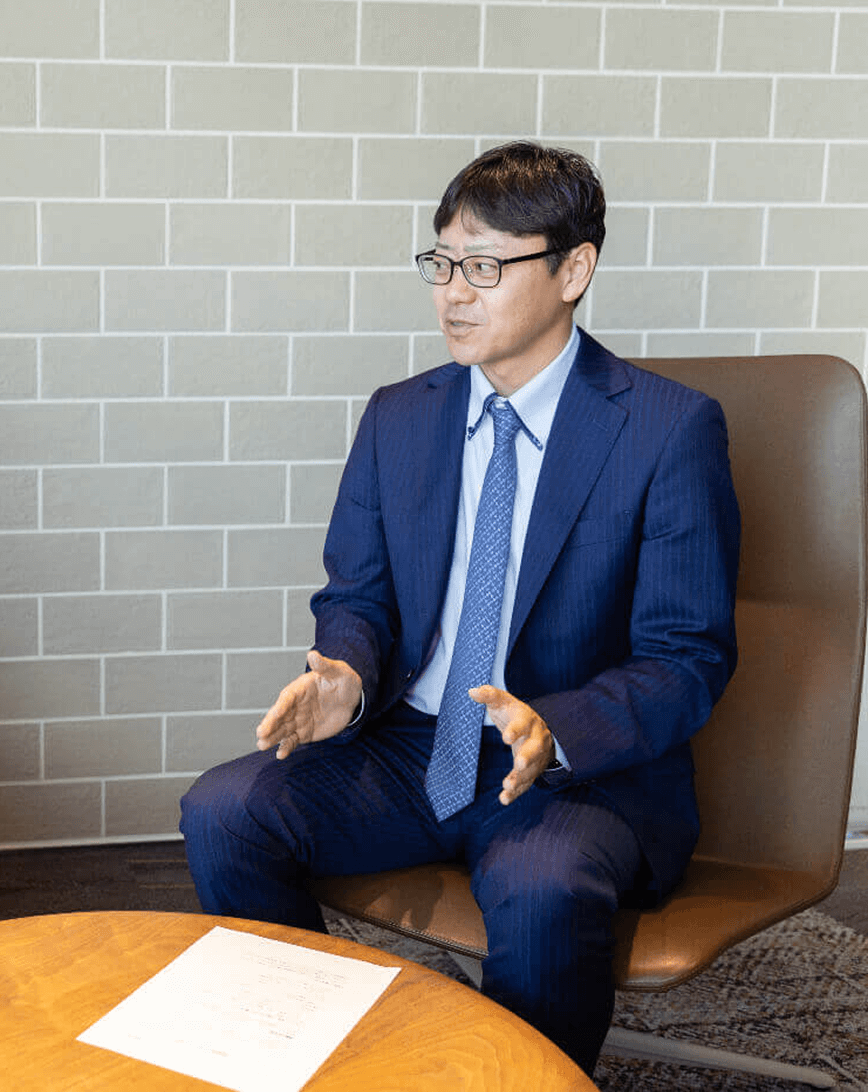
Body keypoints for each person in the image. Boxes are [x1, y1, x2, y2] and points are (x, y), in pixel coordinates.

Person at [178, 141, 739, 1073]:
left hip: (571, 771)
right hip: (413, 745)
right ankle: (311, 1061)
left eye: (484, 267)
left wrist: (556, 729)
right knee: (225, 810)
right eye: (441, 264)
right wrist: (345, 675)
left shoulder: (667, 428)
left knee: (545, 887)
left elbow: (689, 657)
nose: (452, 295)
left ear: (573, 271)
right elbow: (357, 593)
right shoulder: (400, 415)